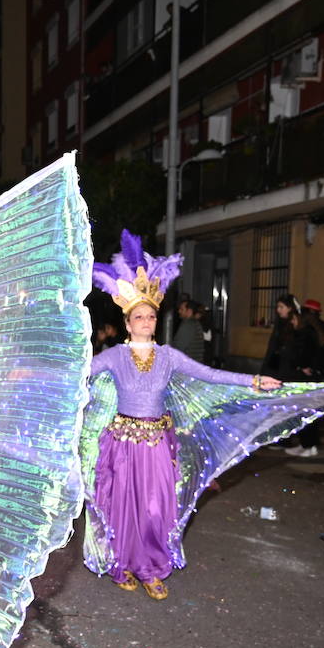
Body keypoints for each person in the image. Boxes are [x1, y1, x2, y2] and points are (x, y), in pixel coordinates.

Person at [86, 231, 281, 600]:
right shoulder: (113, 356)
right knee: (124, 505)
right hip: (123, 443)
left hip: (158, 442)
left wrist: (253, 380)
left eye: (151, 316)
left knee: (158, 506)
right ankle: (124, 564)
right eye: (139, 317)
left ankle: (152, 569)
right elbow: (78, 373)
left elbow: (212, 375)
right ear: (128, 323)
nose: (146, 321)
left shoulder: (169, 357)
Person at [283, 299, 324, 457]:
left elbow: (305, 353)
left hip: (307, 377)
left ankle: (308, 444)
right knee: (309, 410)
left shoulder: (307, 330)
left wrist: (305, 367)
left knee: (305, 411)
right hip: (317, 375)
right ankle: (308, 444)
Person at [169, 296, 205, 363]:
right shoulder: (195, 323)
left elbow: (179, 347)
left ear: (189, 311)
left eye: (182, 309)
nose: (179, 311)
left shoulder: (188, 325)